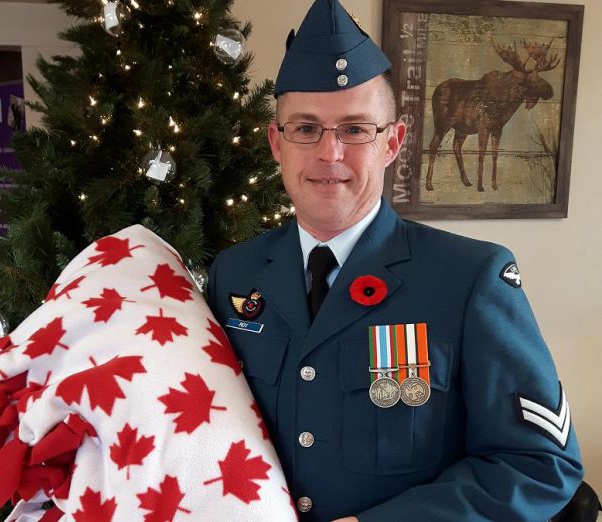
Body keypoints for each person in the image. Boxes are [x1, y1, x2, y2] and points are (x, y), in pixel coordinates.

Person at [206, 1, 584, 520]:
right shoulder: (235, 274)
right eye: (305, 128)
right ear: (277, 142)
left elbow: (539, 465)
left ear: (394, 143)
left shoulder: (470, 279)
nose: (329, 154)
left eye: (356, 129)